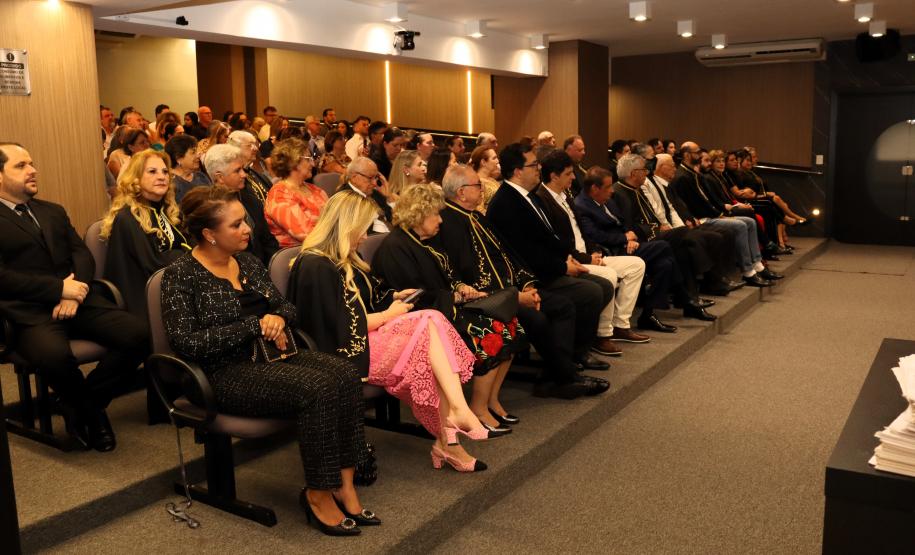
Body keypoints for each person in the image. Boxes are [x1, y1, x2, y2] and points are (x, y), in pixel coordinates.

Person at [161, 186, 374, 535]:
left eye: (244, 220)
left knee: (345, 374)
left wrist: (276, 319)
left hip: (274, 356)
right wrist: (254, 326)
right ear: (209, 234)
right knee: (318, 388)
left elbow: (286, 307)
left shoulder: (247, 262)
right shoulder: (181, 275)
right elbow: (186, 343)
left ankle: (344, 485)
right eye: (235, 225)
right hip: (223, 372)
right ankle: (318, 493)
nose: (247, 229)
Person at [291, 191, 500, 471]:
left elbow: (368, 297)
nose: (365, 237)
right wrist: (388, 314)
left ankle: (451, 436)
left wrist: (393, 297)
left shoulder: (342, 258)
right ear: (345, 225)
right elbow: (338, 326)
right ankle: (453, 427)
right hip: (347, 352)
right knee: (429, 325)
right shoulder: (315, 265)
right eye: (362, 229)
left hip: (370, 338)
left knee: (430, 339)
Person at [0, 143, 148, 452]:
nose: (33, 170)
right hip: (28, 313)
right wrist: (57, 290)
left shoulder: (51, 210)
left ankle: (81, 404)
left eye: (32, 162)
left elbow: (81, 254)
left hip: (79, 301)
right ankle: (94, 415)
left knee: (139, 335)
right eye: (21, 165)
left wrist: (75, 290)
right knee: (54, 356)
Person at [436, 165, 600, 411]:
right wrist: (516, 296)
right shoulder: (448, 223)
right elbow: (467, 276)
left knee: (562, 306)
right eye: (477, 186)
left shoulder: (476, 216)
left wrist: (527, 284)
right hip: (485, 299)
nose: (482, 189)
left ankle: (556, 377)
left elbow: (508, 255)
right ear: (461, 192)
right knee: (538, 318)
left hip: (512, 289)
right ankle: (564, 378)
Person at [371, 183, 528, 423]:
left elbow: (448, 275)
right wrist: (453, 297)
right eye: (435, 214)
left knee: (510, 322)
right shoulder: (396, 248)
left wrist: (461, 287)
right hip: (425, 318)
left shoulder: (426, 240)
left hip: (445, 307)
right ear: (418, 214)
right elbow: (413, 297)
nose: (440, 220)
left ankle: (491, 400)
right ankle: (478, 408)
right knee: (491, 333)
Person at [486, 142, 616, 374]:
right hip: (531, 275)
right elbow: (524, 253)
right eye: (534, 164)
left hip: (547, 265)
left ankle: (577, 351)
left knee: (603, 286)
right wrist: (562, 267)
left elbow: (550, 238)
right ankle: (568, 359)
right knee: (591, 291)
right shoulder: (505, 203)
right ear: (517, 171)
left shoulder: (530, 196)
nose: (539, 168)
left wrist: (569, 258)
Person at [535, 151, 650, 353]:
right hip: (573, 260)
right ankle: (602, 334)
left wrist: (594, 252)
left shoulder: (566, 196)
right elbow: (559, 242)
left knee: (636, 264)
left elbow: (583, 234)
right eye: (569, 173)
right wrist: (588, 258)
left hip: (588, 255)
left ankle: (621, 325)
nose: (574, 177)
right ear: (554, 176)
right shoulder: (542, 200)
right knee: (609, 274)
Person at [574, 167, 681, 333]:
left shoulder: (607, 200)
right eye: (608, 187)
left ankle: (648, 314)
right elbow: (595, 235)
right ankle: (682, 292)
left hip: (627, 245)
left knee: (665, 264)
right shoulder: (581, 206)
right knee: (664, 245)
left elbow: (623, 222)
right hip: (612, 251)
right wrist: (624, 239)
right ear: (595, 188)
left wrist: (629, 236)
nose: (611, 191)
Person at [100, 149, 191, 320]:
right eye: (152, 171)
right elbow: (153, 263)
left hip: (175, 286)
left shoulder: (169, 212)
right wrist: (192, 256)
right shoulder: (127, 218)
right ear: (136, 178)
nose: (162, 176)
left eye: (165, 172)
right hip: (144, 298)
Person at [667, 150, 780, 285]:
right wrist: (720, 214)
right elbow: (693, 205)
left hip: (712, 214)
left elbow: (709, 201)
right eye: (708, 160)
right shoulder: (684, 177)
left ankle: (758, 265)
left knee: (750, 221)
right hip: (702, 218)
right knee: (741, 224)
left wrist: (722, 212)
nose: (709, 163)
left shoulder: (696, 175)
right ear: (686, 155)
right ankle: (748, 272)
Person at [203, 144, 279, 265]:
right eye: (237, 170)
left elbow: (268, 240)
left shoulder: (250, 199)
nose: (244, 174)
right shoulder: (209, 210)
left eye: (243, 169)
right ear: (220, 177)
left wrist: (273, 267)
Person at [264, 138, 327, 248]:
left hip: (324, 250)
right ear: (294, 162)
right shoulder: (280, 195)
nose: (312, 164)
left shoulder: (316, 190)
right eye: (308, 159)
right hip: (299, 257)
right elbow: (307, 235)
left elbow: (336, 219)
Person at [165, 134, 211, 202]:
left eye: (197, 151)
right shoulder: (171, 185)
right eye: (193, 152)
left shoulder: (201, 176)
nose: (198, 155)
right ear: (178, 158)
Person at [468, 146, 500, 214]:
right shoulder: (477, 182)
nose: (497, 161)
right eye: (494, 158)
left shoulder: (491, 179)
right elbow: (478, 209)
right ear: (483, 162)